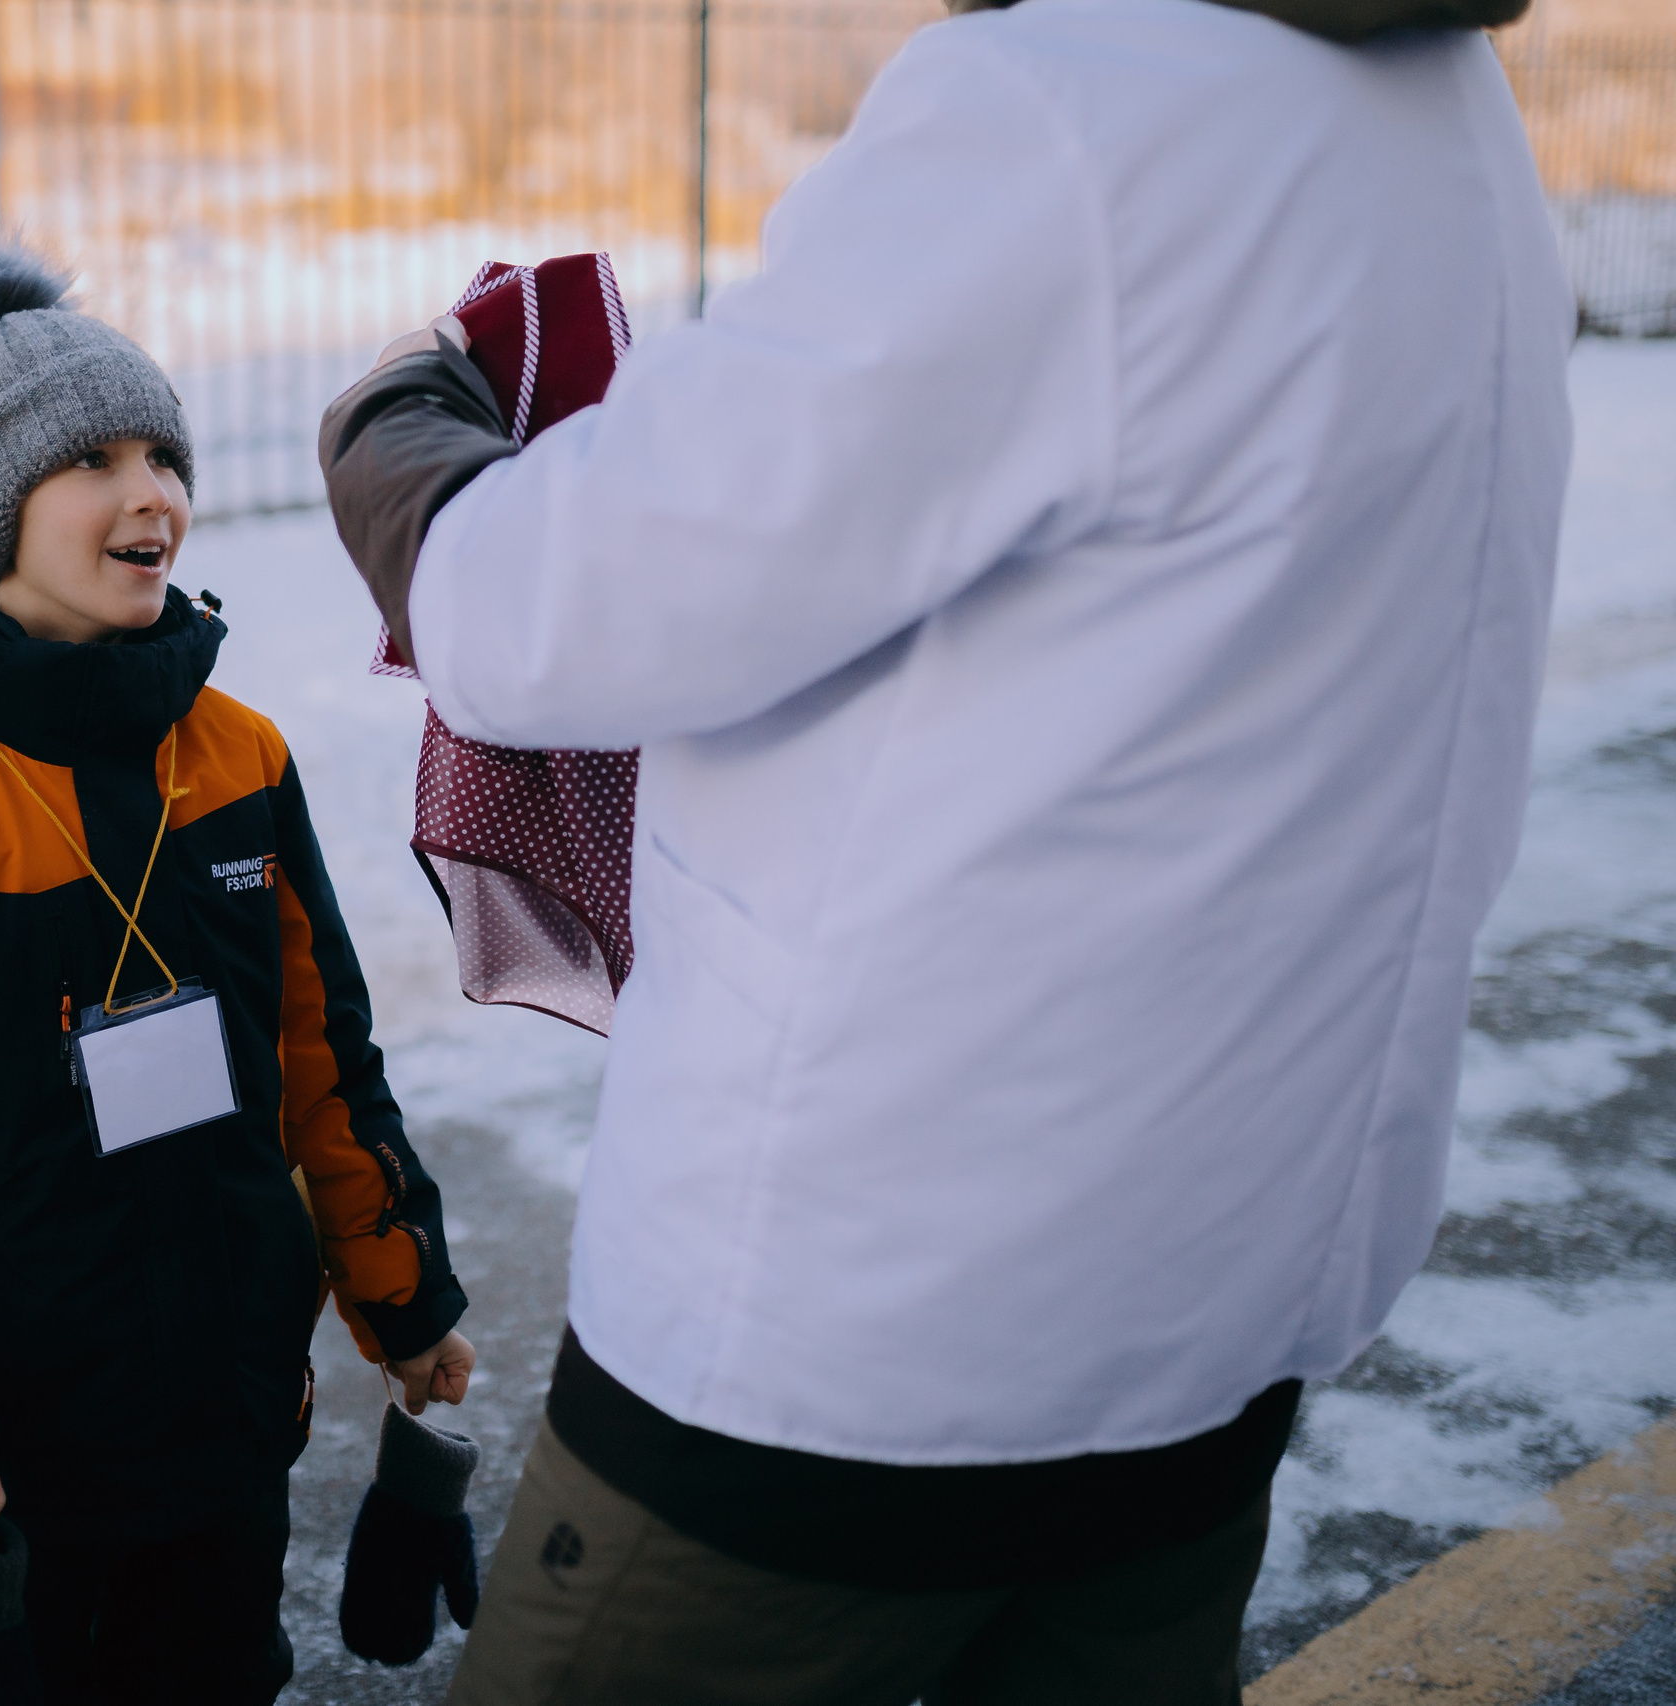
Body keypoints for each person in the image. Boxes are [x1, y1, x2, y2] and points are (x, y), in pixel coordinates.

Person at [318, 0, 1571, 1698]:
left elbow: (565, 603)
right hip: (1217, 1311)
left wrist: (406, 435)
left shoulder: (1068, 116)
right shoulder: (1449, 117)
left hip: (859, 1352)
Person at [0, 234, 474, 1706]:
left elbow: (325, 1057)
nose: (155, 496)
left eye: (165, 455)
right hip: (4, 1456)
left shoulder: (239, 758)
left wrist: (405, 1294)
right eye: (95, 461)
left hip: (224, 1415)